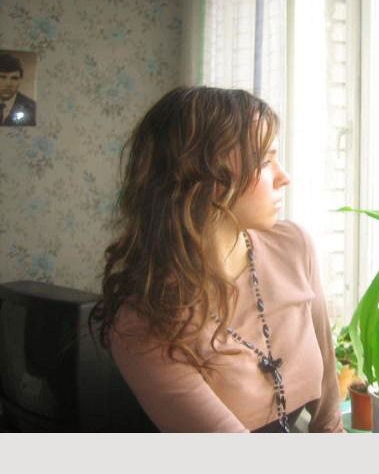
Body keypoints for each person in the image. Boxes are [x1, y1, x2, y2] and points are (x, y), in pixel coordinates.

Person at [88, 86, 346, 433]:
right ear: (203, 177)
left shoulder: (293, 247)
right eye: (265, 161)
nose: (284, 178)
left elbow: (328, 411)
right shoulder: (144, 323)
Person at [0, 53, 36, 126]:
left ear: (20, 80)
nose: (8, 84)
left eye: (14, 78)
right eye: (2, 77)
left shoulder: (33, 109)